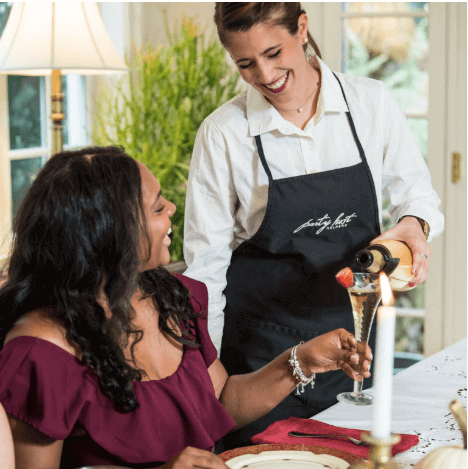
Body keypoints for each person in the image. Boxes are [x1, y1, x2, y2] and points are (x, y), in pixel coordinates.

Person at [0, 146, 371, 469]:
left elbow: (220, 402)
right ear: (111, 233)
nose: (173, 208)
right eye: (159, 206)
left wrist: (302, 359)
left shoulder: (171, 297)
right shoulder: (40, 354)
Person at [183, 2, 444, 450]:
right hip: (263, 360)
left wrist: (414, 226)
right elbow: (205, 271)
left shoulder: (370, 103)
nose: (264, 74)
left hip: (355, 349)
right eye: (246, 63)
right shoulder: (223, 133)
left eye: (273, 52)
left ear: (301, 29)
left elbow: (416, 194)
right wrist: (207, 383)